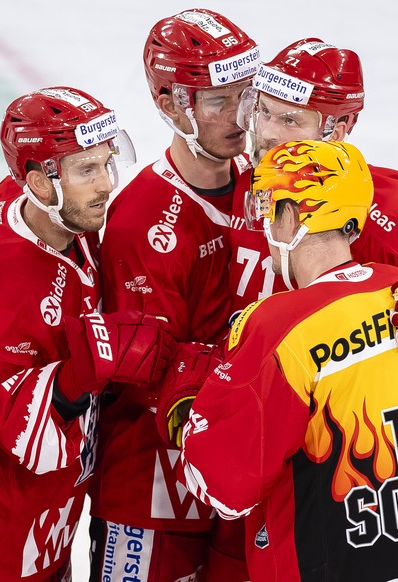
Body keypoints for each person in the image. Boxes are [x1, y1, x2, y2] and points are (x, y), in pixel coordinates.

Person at [188, 38, 398, 581]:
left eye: (289, 119)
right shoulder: (258, 189)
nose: (267, 132)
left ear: (337, 130)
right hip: (256, 483)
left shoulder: (390, 208)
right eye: (262, 110)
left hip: (346, 497)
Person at [0, 86, 175, 582]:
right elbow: (23, 435)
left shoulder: (55, 215)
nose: (106, 185)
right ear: (40, 184)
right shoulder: (7, 274)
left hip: (49, 529)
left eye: (107, 164)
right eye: (86, 171)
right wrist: (77, 378)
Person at [87, 9, 284, 581]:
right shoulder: (144, 218)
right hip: (152, 484)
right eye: (219, 99)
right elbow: (146, 372)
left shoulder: (262, 181)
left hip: (233, 468)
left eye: (248, 94)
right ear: (173, 105)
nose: (241, 115)